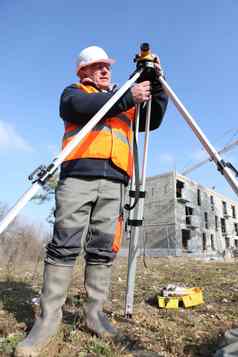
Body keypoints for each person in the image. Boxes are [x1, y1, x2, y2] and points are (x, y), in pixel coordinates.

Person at [15, 45, 168, 356]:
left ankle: (94, 314)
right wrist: (128, 94)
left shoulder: (124, 100)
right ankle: (48, 320)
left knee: (102, 248)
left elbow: (152, 119)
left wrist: (157, 84)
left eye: (107, 66)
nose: (105, 70)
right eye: (97, 66)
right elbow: (83, 108)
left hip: (115, 183)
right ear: (82, 70)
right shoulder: (74, 93)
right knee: (65, 244)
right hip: (78, 179)